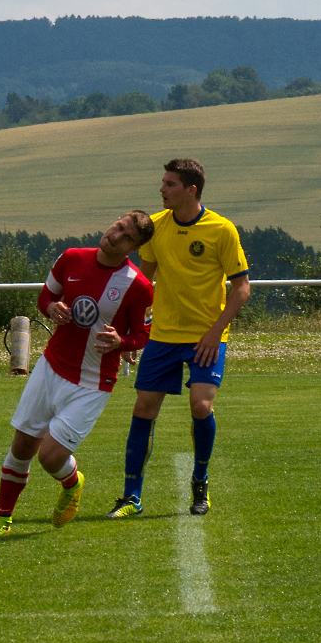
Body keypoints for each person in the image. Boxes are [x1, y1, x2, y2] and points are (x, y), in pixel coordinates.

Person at [0, 211, 155, 536]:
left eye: (127, 237)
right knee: (21, 448)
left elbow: (142, 335)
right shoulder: (71, 258)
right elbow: (45, 296)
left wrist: (121, 341)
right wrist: (50, 308)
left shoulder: (139, 287)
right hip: (50, 368)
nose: (116, 236)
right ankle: (1, 519)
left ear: (134, 248)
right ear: (113, 222)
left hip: (92, 383)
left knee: (50, 456)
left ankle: (72, 483)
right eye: (118, 227)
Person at [107, 158, 250, 519]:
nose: (162, 189)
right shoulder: (155, 227)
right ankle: (131, 497)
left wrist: (215, 334)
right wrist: (129, 336)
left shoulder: (222, 230)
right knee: (143, 408)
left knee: (201, 407)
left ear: (191, 190)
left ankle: (200, 483)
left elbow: (242, 289)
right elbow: (142, 284)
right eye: (162, 182)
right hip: (164, 335)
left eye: (169, 184)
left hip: (206, 337)